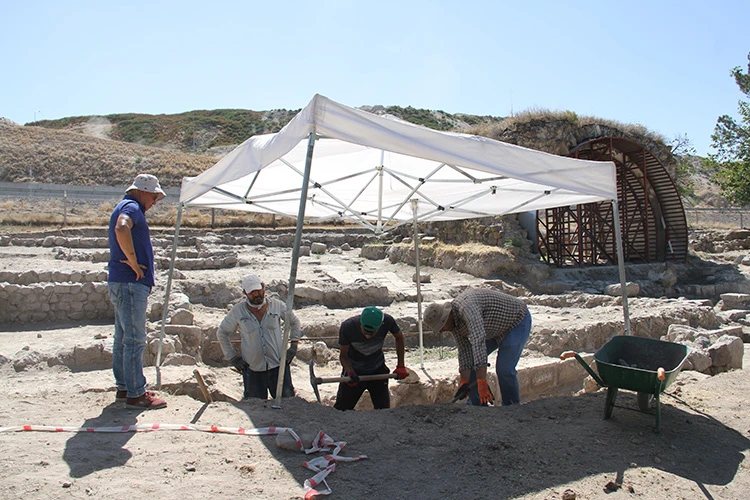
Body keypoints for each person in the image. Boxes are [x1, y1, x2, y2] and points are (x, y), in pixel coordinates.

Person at [108, 173, 167, 410]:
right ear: (142, 191)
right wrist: (132, 261)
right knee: (134, 339)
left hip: (122, 283)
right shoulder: (131, 207)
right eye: (153, 197)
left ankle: (125, 386)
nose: (154, 202)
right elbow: (122, 228)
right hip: (131, 284)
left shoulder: (127, 206)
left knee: (123, 337)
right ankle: (135, 393)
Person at [423, 287, 531, 406]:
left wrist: (481, 381)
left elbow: (478, 342)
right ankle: (476, 405)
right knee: (473, 366)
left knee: (504, 369)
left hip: (515, 321)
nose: (442, 330)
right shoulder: (454, 323)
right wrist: (464, 380)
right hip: (492, 328)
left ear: (448, 315)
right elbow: (464, 351)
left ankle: (512, 407)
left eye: (442, 326)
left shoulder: (468, 309)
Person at [217, 275, 301, 400]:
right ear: (245, 292)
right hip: (253, 370)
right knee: (256, 407)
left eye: (258, 290)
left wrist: (293, 346)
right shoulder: (238, 311)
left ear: (263, 287)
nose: (256, 294)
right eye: (251, 292)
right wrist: (232, 357)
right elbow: (222, 332)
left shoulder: (277, 306)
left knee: (287, 405)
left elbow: (294, 322)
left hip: (278, 366)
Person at [334, 306, 408, 411]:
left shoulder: (387, 321)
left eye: (372, 333)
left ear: (381, 325)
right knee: (341, 410)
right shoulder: (348, 327)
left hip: (378, 371)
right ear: (360, 321)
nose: (368, 336)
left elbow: (399, 337)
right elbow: (343, 356)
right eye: (365, 332)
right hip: (354, 372)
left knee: (383, 411)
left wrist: (401, 366)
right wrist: (350, 372)